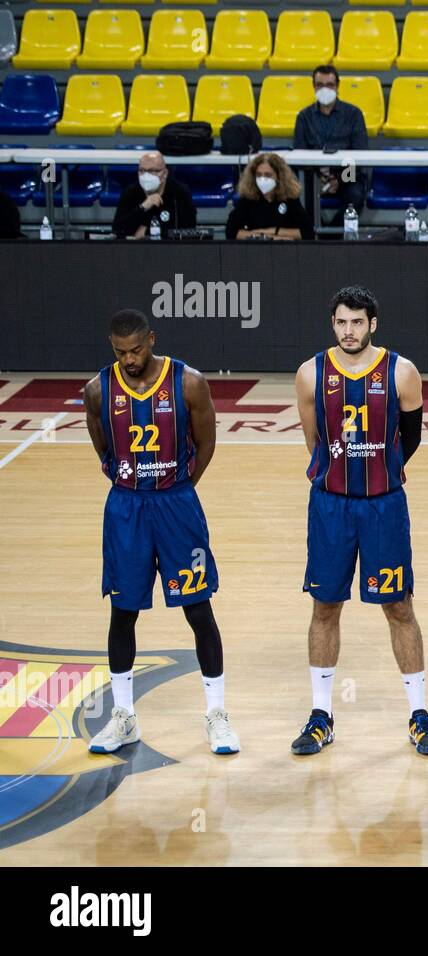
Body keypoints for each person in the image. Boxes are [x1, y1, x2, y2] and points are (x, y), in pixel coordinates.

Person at [290, 286, 428, 756]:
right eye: (341, 322)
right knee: (324, 608)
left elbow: (409, 440)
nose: (349, 330)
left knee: (399, 607)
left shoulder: (402, 372)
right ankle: (321, 716)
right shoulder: (310, 373)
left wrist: (379, 472)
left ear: (372, 324)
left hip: (383, 506)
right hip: (332, 506)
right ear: (332, 324)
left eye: (357, 322)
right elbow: (315, 439)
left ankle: (418, 715)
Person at [81, 309, 239, 756]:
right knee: (123, 612)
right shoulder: (98, 390)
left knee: (197, 609)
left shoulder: (188, 382)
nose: (129, 359)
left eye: (136, 349)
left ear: (151, 339)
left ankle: (217, 714)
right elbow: (101, 443)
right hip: (127, 508)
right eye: (119, 352)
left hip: (176, 505)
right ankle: (123, 717)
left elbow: (207, 443)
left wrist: (180, 488)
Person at [294, 65, 369, 233]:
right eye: (320, 85)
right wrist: (319, 177)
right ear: (313, 86)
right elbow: (300, 154)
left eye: (329, 84)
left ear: (337, 86)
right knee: (298, 194)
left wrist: (338, 179)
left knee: (355, 195)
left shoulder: (353, 114)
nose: (324, 89)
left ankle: (331, 237)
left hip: (347, 174)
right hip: (314, 175)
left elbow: (360, 153)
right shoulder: (303, 117)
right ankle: (311, 233)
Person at [225, 153, 314, 241]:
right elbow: (230, 232)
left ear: (279, 176)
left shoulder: (289, 198)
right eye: (259, 175)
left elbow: (308, 233)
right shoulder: (248, 198)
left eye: (268, 175)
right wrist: (263, 237)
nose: (262, 179)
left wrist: (273, 231)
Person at [111, 151, 197, 240]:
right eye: (142, 171)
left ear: (165, 173)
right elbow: (117, 230)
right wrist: (143, 207)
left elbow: (189, 230)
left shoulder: (180, 192)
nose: (146, 176)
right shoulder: (130, 192)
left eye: (152, 171)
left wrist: (147, 232)